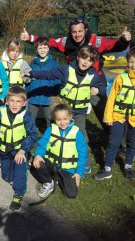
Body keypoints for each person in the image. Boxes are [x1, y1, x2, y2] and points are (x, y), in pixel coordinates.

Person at [21, 18, 132, 131]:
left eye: (80, 31)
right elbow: (48, 42)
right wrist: (29, 38)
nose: (77, 35)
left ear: (86, 30)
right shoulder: (65, 42)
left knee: (104, 111)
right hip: (73, 82)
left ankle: (114, 139)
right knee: (66, 112)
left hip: (93, 80)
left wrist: (123, 40)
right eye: (74, 32)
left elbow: (114, 45)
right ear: (70, 32)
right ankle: (61, 135)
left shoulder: (96, 41)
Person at [25, 46, 106, 174]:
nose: (85, 62)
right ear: (79, 56)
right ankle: (45, 157)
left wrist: (98, 90)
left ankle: (84, 163)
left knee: (82, 137)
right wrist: (32, 73)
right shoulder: (67, 70)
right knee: (53, 134)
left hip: (79, 112)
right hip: (63, 109)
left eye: (90, 60)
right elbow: (49, 74)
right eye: (84, 58)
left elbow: (103, 87)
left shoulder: (93, 75)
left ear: (93, 63)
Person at [94, 46, 135, 181]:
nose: (133, 65)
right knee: (113, 142)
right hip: (119, 116)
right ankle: (107, 169)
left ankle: (128, 166)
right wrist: (108, 116)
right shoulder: (120, 78)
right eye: (131, 62)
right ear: (127, 62)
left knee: (132, 142)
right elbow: (111, 99)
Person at [0, 87, 38, 211]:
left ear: (24, 103)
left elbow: (33, 135)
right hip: (3, 150)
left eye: (18, 101)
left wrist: (23, 150)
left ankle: (18, 194)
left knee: (20, 174)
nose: (15, 104)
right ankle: (12, 174)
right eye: (12, 100)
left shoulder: (26, 116)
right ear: (6, 101)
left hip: (19, 150)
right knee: (6, 177)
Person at [31, 104, 88, 199]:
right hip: (51, 163)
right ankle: (49, 182)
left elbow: (83, 153)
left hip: (68, 168)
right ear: (55, 119)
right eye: (58, 120)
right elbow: (42, 144)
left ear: (70, 116)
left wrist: (79, 172)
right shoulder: (51, 129)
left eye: (65, 119)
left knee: (71, 194)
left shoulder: (76, 133)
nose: (62, 123)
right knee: (37, 162)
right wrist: (38, 155)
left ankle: (58, 178)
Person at [25, 36, 61, 129]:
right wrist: (28, 91)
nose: (42, 50)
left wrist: (54, 93)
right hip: (34, 95)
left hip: (48, 96)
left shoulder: (54, 64)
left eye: (45, 47)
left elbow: (57, 80)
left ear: (48, 48)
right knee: (30, 118)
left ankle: (51, 136)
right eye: (40, 48)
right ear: (36, 49)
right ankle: (30, 136)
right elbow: (29, 79)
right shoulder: (32, 63)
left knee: (50, 118)